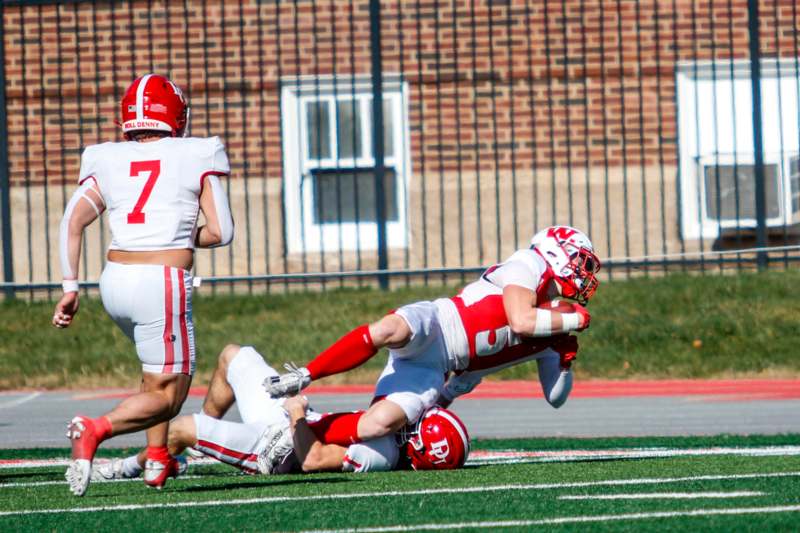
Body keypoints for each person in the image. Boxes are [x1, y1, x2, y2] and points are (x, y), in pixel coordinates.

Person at [52, 73, 234, 496]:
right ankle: (95, 430)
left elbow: (72, 221)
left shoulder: (107, 157)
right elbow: (222, 231)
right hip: (161, 280)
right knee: (170, 393)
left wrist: (69, 286)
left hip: (114, 283)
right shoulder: (197, 152)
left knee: (155, 373)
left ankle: (157, 459)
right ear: (176, 115)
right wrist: (183, 235)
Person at [265, 225, 600, 447]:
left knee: (377, 426)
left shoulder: (554, 323)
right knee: (389, 329)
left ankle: (305, 426)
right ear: (555, 251)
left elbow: (555, 397)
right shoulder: (530, 265)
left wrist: (566, 358)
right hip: (437, 323)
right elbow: (521, 321)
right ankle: (306, 373)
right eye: (581, 261)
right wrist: (571, 321)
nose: (585, 274)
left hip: (437, 367)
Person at [93, 344, 469, 480]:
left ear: (419, 448)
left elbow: (313, 459)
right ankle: (196, 450)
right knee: (233, 356)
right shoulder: (391, 439)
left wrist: (296, 414)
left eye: (420, 427)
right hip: (290, 421)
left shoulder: (380, 454)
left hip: (273, 447)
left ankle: (125, 468)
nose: (414, 419)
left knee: (179, 429)